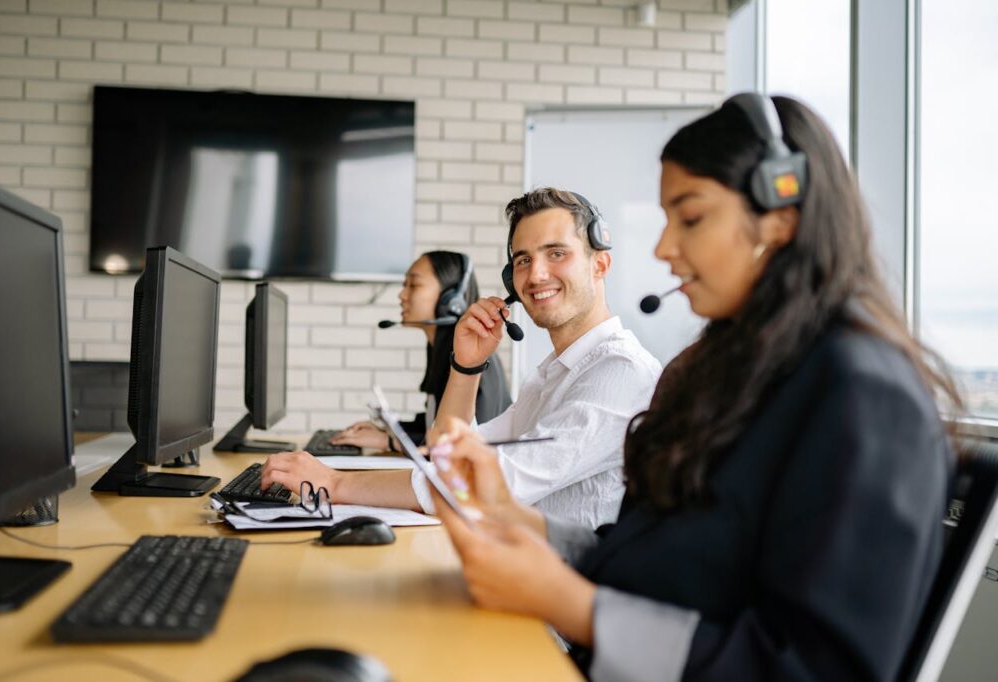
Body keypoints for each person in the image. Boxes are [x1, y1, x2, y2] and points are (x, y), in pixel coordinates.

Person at [428, 94, 962, 681]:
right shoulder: (725, 374)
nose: (663, 248)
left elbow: (815, 668)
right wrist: (519, 520)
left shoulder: (864, 398)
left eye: (691, 217)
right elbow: (658, 557)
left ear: (781, 212)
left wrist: (570, 606)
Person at [262, 189, 662, 527]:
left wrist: (335, 484)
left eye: (556, 253)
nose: (536, 274)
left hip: (552, 612)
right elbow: (446, 455)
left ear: (600, 264)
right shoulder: (554, 375)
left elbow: (474, 484)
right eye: (523, 259)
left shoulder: (618, 373)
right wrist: (466, 365)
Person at [328, 251, 510, 450]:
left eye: (413, 285)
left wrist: (388, 441)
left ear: (450, 300)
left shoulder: (471, 358)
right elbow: (436, 420)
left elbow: (466, 441)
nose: (402, 295)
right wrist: (390, 429)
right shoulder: (442, 346)